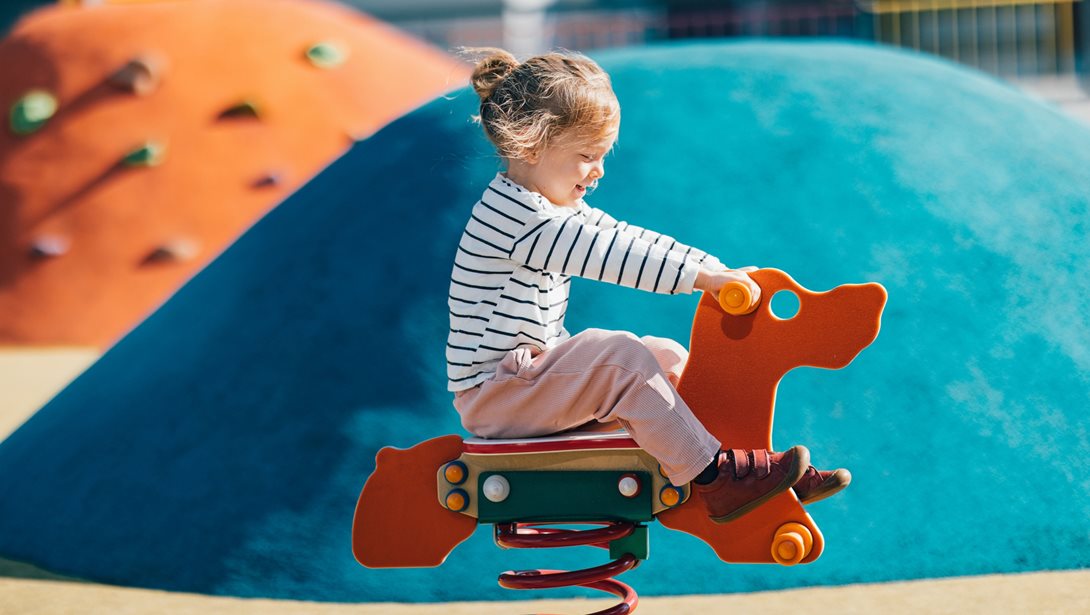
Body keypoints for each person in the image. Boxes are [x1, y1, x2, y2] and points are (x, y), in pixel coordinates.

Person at [447, 47, 849, 523]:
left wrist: (713, 268)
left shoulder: (548, 210)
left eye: (602, 156)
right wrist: (701, 279)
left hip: (526, 383)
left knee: (666, 358)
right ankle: (716, 479)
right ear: (532, 147)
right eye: (586, 156)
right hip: (498, 396)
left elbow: (624, 235)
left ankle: (746, 467)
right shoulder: (519, 220)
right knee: (622, 359)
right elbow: (612, 255)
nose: (599, 170)